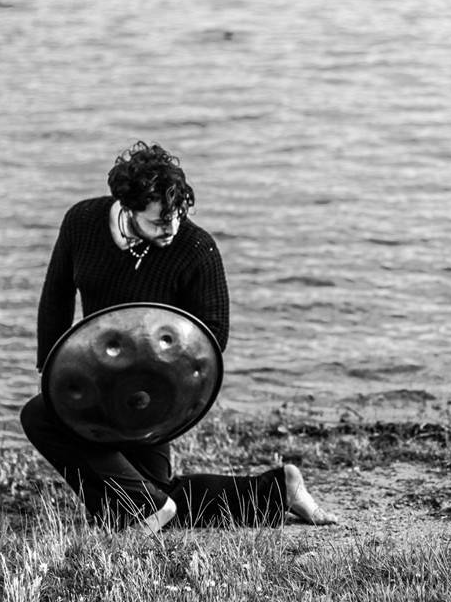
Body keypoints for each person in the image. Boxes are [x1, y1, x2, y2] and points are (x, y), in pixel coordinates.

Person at [20, 141, 336, 532]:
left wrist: (162, 380)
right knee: (45, 415)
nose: (170, 228)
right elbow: (56, 295)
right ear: (127, 207)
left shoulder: (196, 248)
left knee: (132, 499)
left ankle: (139, 508)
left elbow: (213, 332)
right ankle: (276, 490)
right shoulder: (82, 222)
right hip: (98, 384)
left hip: (155, 395)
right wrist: (52, 373)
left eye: (177, 216)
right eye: (157, 221)